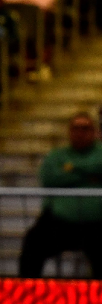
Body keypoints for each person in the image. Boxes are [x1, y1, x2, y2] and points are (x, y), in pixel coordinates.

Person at [19, 112, 102, 278]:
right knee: (33, 244)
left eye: (85, 128)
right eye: (75, 128)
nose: (80, 132)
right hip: (60, 223)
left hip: (97, 224)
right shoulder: (56, 156)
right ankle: (27, 294)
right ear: (69, 132)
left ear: (94, 132)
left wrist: (71, 170)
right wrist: (89, 175)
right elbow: (50, 178)